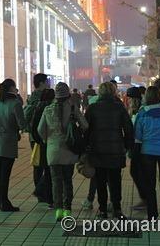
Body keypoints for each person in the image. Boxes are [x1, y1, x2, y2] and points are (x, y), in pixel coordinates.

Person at [38, 82, 88, 221]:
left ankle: (58, 210)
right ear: (68, 95)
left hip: (53, 152)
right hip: (69, 152)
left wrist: (48, 141)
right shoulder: (73, 108)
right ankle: (67, 210)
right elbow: (85, 125)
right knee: (67, 181)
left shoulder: (48, 109)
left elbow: (40, 130)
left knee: (56, 182)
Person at [85, 82, 133, 219]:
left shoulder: (93, 108)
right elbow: (128, 128)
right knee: (115, 180)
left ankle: (103, 209)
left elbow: (86, 130)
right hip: (115, 149)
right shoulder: (119, 108)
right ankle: (117, 208)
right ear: (113, 92)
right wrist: (127, 145)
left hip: (97, 149)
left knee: (100, 181)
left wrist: (86, 146)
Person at [0, 79, 26, 212]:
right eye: (15, 87)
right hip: (7, 142)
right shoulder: (15, 104)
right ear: (12, 89)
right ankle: (4, 202)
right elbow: (22, 124)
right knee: (5, 174)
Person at [134, 86, 160, 220]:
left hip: (147, 151)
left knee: (150, 183)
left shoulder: (142, 113)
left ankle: (152, 214)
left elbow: (138, 135)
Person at [25, 73, 49, 200]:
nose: (48, 83)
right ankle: (41, 191)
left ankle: (40, 193)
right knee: (46, 165)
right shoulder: (44, 97)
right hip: (44, 136)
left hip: (33, 136)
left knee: (38, 164)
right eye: (47, 81)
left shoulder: (31, 97)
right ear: (41, 83)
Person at [31, 88, 55, 207]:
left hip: (39, 142)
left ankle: (41, 193)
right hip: (49, 142)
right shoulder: (50, 108)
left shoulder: (37, 106)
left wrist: (38, 140)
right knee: (50, 171)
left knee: (39, 168)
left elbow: (34, 127)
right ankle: (46, 195)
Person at [126, 86, 147, 210]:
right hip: (136, 145)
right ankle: (145, 198)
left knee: (137, 172)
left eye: (129, 99)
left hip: (140, 145)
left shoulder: (141, 111)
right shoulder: (135, 111)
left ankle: (146, 199)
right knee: (136, 172)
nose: (128, 101)